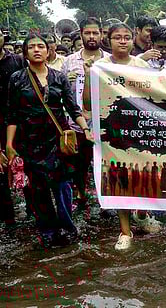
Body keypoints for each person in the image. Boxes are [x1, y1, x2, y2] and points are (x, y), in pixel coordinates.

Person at [6, 33, 93, 247]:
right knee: (38, 188)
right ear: (25, 52)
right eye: (32, 47)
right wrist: (9, 144)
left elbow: (72, 107)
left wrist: (85, 129)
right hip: (30, 141)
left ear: (48, 50)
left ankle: (67, 226)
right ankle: (47, 230)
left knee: (63, 185)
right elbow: (12, 114)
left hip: (59, 138)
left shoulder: (58, 76)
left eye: (41, 46)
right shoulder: (17, 79)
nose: (37, 50)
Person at [83, 22, 160, 251]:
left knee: (144, 175)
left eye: (127, 37)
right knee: (119, 178)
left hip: (138, 129)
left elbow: (155, 97)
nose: (123, 41)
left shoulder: (141, 65)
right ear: (109, 40)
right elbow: (87, 103)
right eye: (118, 37)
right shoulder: (100, 66)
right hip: (112, 132)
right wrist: (89, 76)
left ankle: (143, 214)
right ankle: (125, 231)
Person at [62, 17, 110, 204]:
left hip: (104, 119)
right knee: (80, 163)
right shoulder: (68, 62)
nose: (91, 36)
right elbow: (63, 92)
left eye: (95, 33)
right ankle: (81, 193)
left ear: (101, 34)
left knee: (105, 162)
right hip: (78, 121)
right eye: (87, 33)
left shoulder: (109, 60)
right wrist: (67, 78)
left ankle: (105, 198)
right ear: (81, 34)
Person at [0, 31, 24, 226]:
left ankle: (33, 213)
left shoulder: (16, 61)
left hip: (20, 123)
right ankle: (9, 219)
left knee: (27, 168)